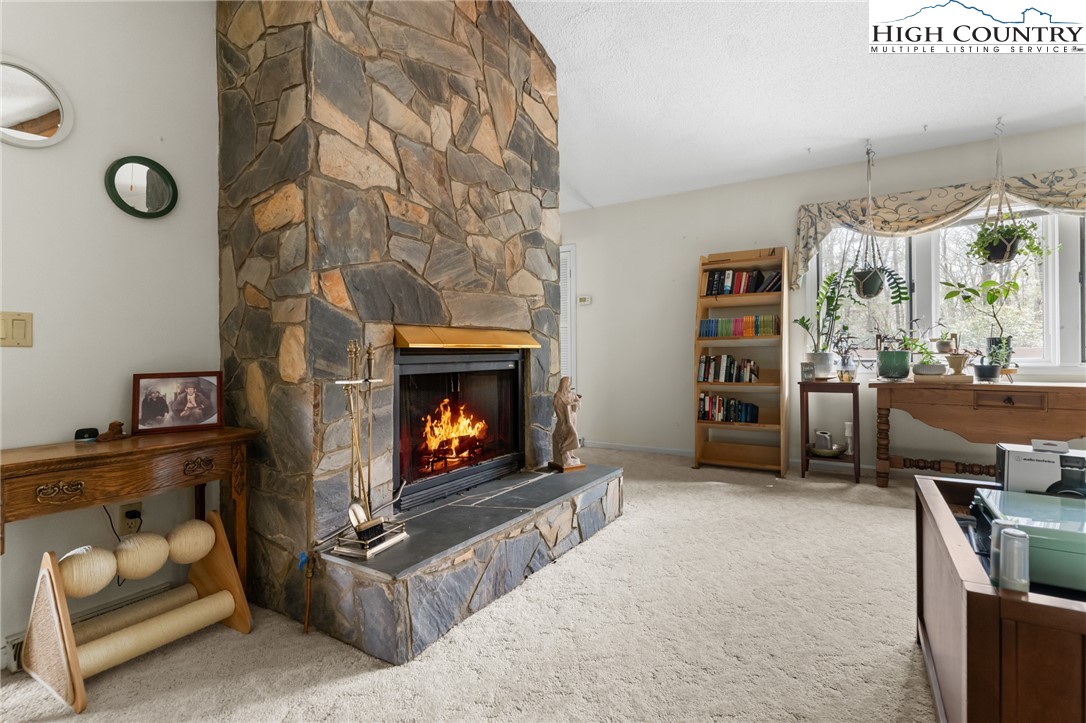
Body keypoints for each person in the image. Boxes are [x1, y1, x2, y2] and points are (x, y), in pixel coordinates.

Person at [552, 376, 583, 468]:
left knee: (570, 433)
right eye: (568, 383)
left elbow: (578, 402)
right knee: (569, 434)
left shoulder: (571, 394)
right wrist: (563, 418)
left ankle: (570, 454)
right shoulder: (558, 395)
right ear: (564, 384)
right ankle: (564, 450)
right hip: (564, 419)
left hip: (572, 417)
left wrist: (575, 403)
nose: (570, 385)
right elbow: (557, 408)